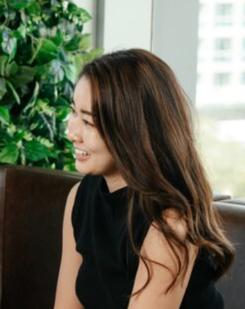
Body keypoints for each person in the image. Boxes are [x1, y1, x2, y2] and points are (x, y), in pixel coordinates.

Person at [54, 49, 235, 308]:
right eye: (73, 112)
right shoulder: (80, 196)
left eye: (88, 122)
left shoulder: (168, 225)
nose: (71, 131)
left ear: (131, 130)